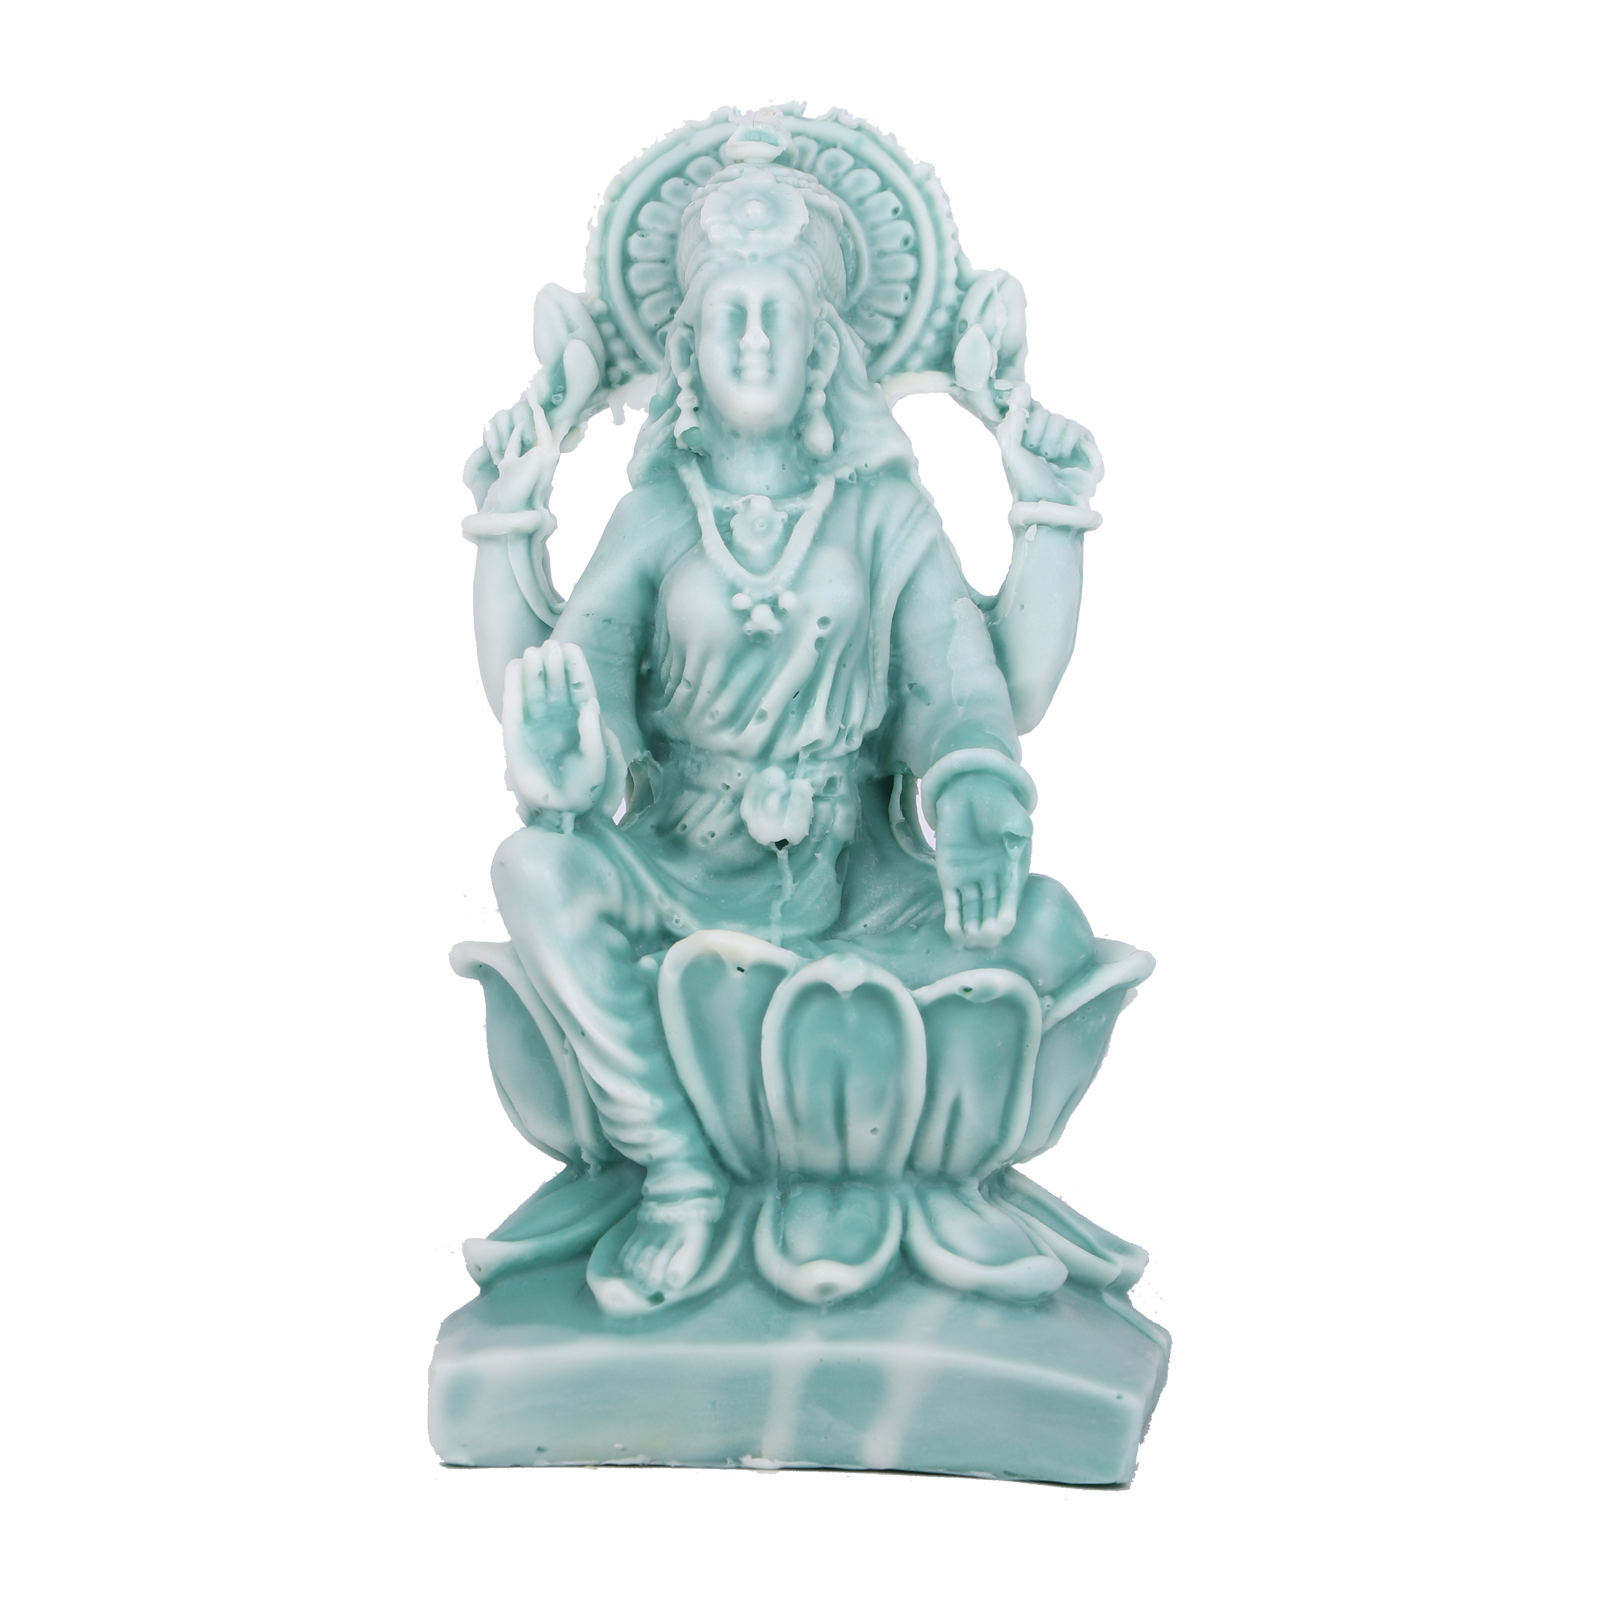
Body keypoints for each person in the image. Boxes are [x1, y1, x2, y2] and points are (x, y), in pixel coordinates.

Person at [463, 155, 1100, 1305]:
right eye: (730, 316)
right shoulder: (658, 514)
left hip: (854, 884)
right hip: (679, 874)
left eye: (777, 314)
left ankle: (850, 1139)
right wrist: (568, 760)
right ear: (689, 351)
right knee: (532, 870)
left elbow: (964, 692)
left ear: (821, 346)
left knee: (1044, 929)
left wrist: (970, 798)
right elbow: (581, 674)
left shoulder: (885, 513)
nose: (754, 339)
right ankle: (675, 1165)